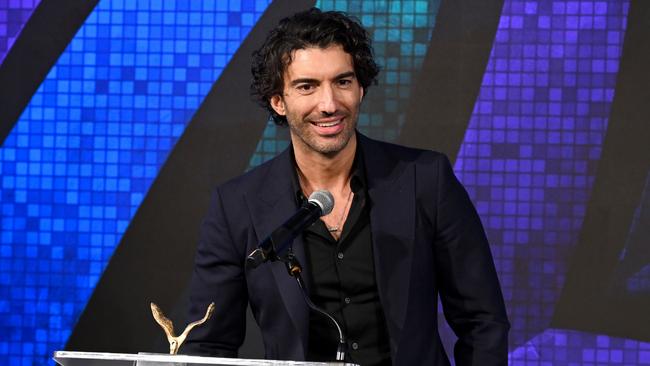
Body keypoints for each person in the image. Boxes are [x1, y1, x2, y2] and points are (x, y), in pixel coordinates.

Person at [183, 8, 509, 366]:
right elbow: (208, 345)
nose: (329, 105)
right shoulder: (237, 205)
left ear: (361, 88)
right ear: (278, 101)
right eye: (307, 86)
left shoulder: (425, 179)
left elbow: (483, 321)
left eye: (342, 82)